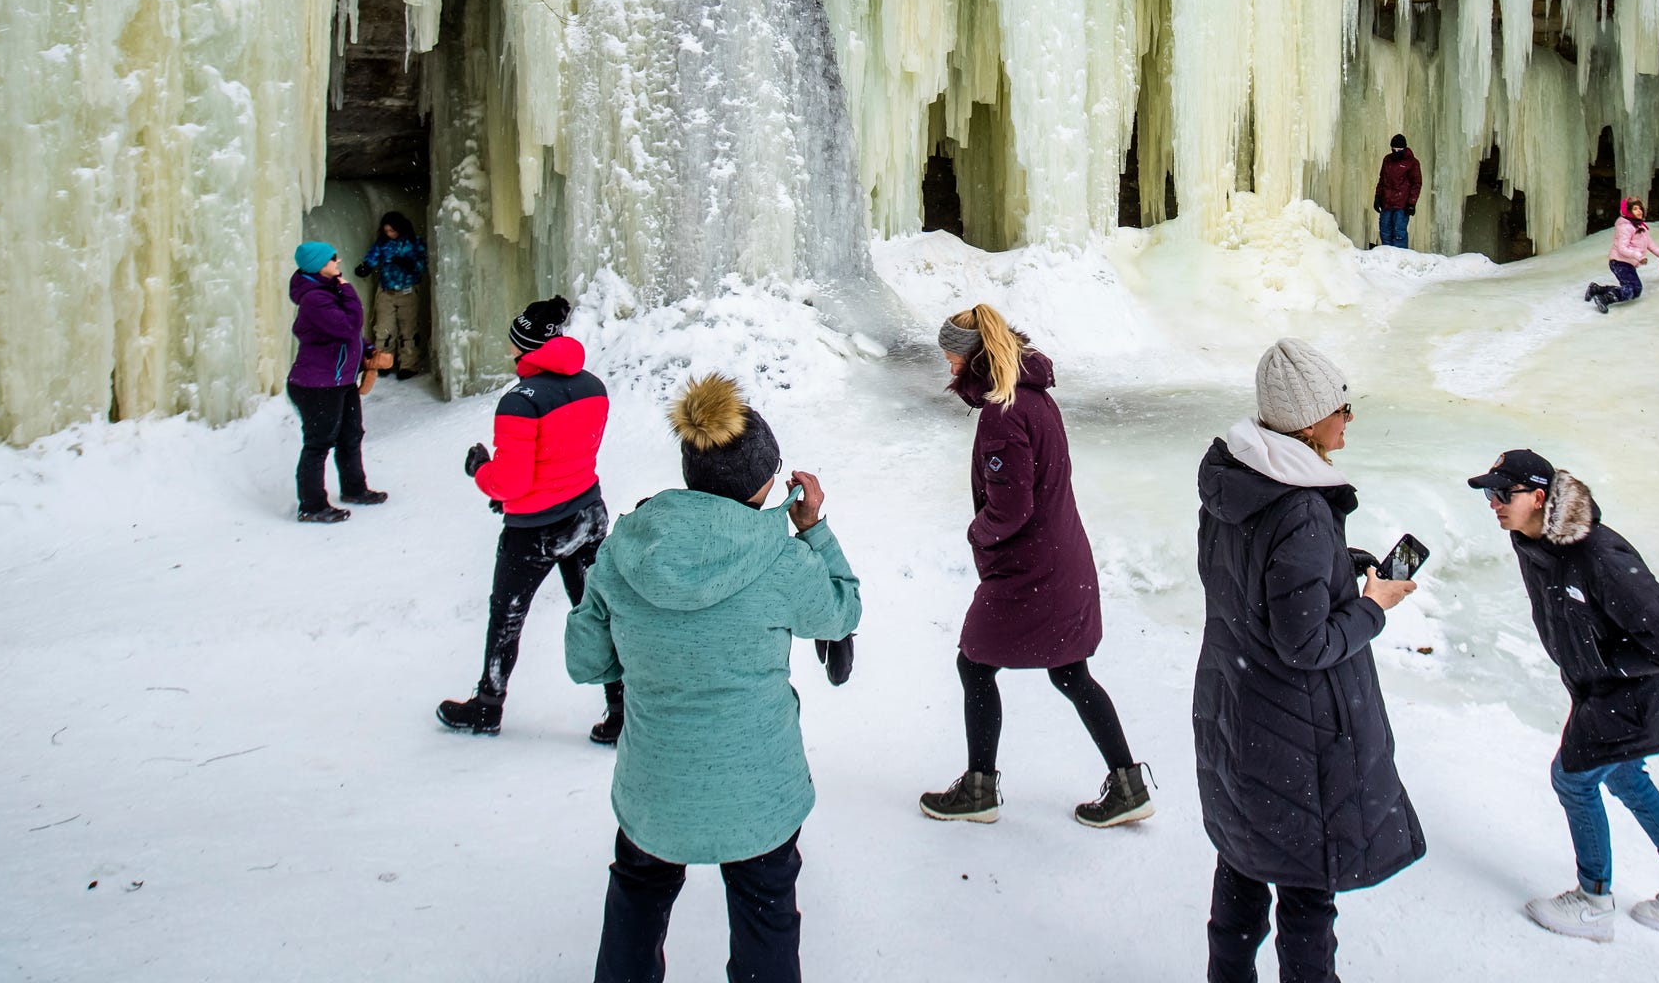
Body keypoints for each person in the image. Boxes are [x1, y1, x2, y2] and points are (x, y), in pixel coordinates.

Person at [567, 373, 861, 983]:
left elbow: (586, 661)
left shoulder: (626, 549)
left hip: (655, 789)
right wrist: (813, 529)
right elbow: (842, 610)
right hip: (758, 793)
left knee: (637, 900)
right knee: (765, 916)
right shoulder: (783, 560)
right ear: (763, 486)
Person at [1195, 338, 1424, 983]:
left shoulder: (1237, 483)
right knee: (1306, 889)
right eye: (1341, 407)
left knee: (1242, 866)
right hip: (1294, 733)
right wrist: (1374, 605)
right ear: (1307, 420)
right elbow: (1307, 644)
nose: (1350, 417)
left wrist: (1340, 574)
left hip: (1233, 708)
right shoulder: (1302, 507)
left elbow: (1243, 582)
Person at [1469, 448, 1659, 942]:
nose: (1494, 503)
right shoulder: (1531, 539)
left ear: (1539, 497)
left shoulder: (1599, 556)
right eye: (1489, 494)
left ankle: (1593, 902)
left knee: (1574, 778)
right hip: (1599, 690)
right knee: (1624, 775)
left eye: (1503, 494)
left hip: (1637, 696)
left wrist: (1605, 666)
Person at [920, 304, 1150, 829]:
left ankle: (980, 790)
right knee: (1070, 672)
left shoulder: (1003, 413)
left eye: (954, 358)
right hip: (1060, 558)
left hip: (1031, 571)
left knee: (974, 663)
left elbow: (1011, 508)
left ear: (976, 356)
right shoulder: (1035, 397)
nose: (950, 369)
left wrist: (977, 532)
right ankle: (1127, 784)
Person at [439, 296, 620, 741]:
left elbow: (511, 483)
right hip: (588, 514)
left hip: (535, 529)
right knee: (598, 613)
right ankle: (622, 710)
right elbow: (567, 457)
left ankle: (487, 706)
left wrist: (480, 468)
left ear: (526, 347)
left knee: (508, 616)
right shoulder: (593, 385)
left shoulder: (520, 401)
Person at [285, 241, 388, 523]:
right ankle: (312, 506)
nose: (338, 260)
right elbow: (347, 326)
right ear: (319, 264)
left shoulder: (325, 291)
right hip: (316, 385)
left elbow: (348, 334)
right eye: (332, 258)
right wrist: (348, 289)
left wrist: (367, 350)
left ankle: (355, 488)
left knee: (350, 435)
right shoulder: (314, 298)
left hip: (339, 380)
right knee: (318, 443)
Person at [354, 211, 428, 379]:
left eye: (392, 231)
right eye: (387, 231)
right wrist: (366, 267)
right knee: (384, 329)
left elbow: (423, 265)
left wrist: (409, 263)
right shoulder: (383, 244)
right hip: (386, 292)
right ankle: (384, 362)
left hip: (407, 292)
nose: (390, 234)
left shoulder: (414, 243)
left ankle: (408, 365)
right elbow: (372, 257)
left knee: (408, 330)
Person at [1585, 196, 1659, 312]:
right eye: (1635, 209)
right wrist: (1639, 256)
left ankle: (1596, 289)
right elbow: (1622, 248)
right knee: (1634, 288)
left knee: (1631, 288)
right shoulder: (1625, 227)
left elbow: (1652, 246)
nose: (1639, 211)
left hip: (1627, 263)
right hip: (1619, 262)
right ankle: (1605, 298)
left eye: (1640, 208)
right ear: (1628, 211)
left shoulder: (1641, 228)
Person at [1372, 135, 1422, 250]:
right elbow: (1382, 179)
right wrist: (1377, 197)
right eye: (1393, 149)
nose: (1396, 152)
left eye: (1399, 150)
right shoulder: (1387, 160)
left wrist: (1411, 203)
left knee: (1399, 232)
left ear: (1404, 148)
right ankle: (1387, 256)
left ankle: (1399, 257)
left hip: (1402, 204)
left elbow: (1416, 184)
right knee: (1385, 230)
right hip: (1386, 202)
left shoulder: (1412, 163)